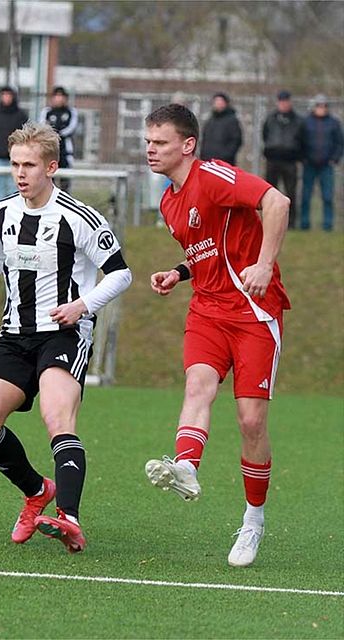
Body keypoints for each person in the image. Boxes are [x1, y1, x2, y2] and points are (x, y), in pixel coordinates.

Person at [0, 122, 132, 554]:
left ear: (51, 167)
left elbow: (121, 273)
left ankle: (69, 519)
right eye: (16, 164)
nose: (20, 173)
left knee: (57, 418)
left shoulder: (80, 218)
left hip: (63, 334)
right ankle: (37, 490)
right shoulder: (2, 213)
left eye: (29, 165)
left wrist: (83, 306)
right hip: (14, 335)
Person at [143, 103, 291, 568]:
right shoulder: (168, 200)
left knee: (251, 422)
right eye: (147, 142)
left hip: (253, 313)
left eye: (159, 142)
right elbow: (209, 249)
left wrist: (265, 264)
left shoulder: (215, 176)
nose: (150, 150)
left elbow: (277, 203)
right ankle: (186, 466)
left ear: (187, 146)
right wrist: (179, 271)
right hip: (207, 311)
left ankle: (253, 520)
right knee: (198, 385)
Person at [262, 90, 305, 228]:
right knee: (269, 192)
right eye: (281, 101)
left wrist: (296, 154)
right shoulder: (271, 118)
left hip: (290, 161)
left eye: (286, 101)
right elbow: (265, 135)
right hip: (273, 160)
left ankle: (291, 223)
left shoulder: (298, 120)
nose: (283, 104)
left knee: (290, 192)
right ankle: (269, 221)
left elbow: (302, 140)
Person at [300, 94, 343, 232]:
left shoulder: (334, 123)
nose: (321, 108)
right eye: (319, 105)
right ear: (314, 107)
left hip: (326, 165)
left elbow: (339, 143)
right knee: (306, 196)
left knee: (327, 196)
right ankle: (304, 224)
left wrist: (334, 158)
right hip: (309, 164)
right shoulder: (306, 122)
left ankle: (328, 225)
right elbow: (300, 141)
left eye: (324, 105)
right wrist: (304, 157)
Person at [0, 86, 29, 205]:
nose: (6, 98)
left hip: (15, 160)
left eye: (9, 95)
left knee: (14, 187)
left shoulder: (20, 115)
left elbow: (27, 134)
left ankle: (16, 212)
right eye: (4, 95)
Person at [39, 86, 79, 192]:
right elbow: (43, 127)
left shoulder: (71, 112)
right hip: (50, 150)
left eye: (61, 96)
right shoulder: (47, 112)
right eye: (56, 96)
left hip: (65, 152)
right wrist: (51, 135)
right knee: (49, 181)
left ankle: (65, 205)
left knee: (65, 183)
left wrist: (57, 134)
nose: (59, 99)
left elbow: (71, 128)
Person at [199, 92, 242, 165]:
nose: (218, 104)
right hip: (208, 161)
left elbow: (236, 140)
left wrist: (226, 156)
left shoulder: (232, 120)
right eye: (216, 101)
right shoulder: (210, 120)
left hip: (225, 162)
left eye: (220, 101)